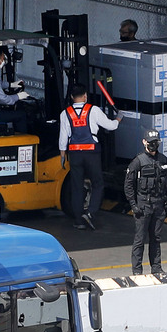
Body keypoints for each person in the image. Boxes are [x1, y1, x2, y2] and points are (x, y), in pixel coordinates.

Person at [59, 84, 123, 230]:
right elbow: (111, 126)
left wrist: (63, 155)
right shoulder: (93, 110)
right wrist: (119, 118)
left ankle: (78, 221)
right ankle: (91, 213)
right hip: (92, 152)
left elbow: (63, 137)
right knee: (98, 183)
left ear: (71, 97)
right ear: (85, 95)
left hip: (74, 153)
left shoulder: (65, 113)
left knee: (76, 186)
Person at [124, 129, 167, 275]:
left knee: (156, 238)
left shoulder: (163, 160)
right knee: (140, 240)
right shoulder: (137, 162)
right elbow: (128, 185)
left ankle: (156, 268)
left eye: (156, 143)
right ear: (144, 142)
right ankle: (137, 271)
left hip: (159, 205)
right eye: (151, 142)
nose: (153, 145)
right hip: (143, 205)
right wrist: (133, 205)